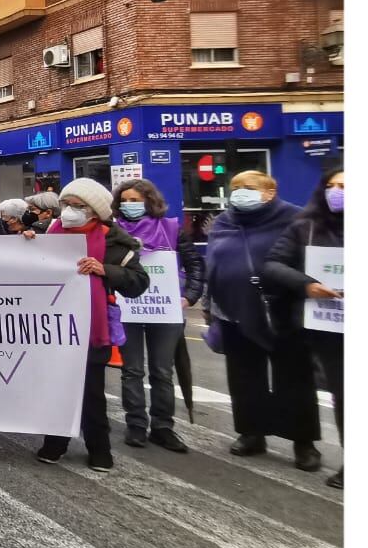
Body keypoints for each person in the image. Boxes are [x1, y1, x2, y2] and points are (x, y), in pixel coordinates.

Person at [203, 171, 321, 471]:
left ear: (270, 192)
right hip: (234, 314)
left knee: (294, 379)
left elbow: (311, 261)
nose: (240, 193)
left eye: (249, 188)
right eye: (236, 188)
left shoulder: (296, 219)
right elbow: (213, 266)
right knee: (244, 378)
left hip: (283, 313)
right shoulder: (224, 223)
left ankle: (303, 443)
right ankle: (251, 433)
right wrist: (210, 305)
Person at [34, 179, 151, 472]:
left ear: (95, 210)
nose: (70, 212)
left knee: (92, 393)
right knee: (57, 389)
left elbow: (138, 283)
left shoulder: (112, 241)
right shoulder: (52, 232)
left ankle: (99, 448)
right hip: (54, 328)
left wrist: (105, 271)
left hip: (90, 329)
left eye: (78, 206)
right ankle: (55, 442)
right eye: (66, 205)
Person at [262, 165, 344, 487]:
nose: (339, 192)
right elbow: (272, 265)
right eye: (334, 185)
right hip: (330, 326)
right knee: (345, 396)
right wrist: (307, 285)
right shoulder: (304, 227)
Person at [111, 178, 204, 452]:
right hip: (128, 309)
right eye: (124, 201)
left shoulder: (172, 228)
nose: (129, 205)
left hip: (165, 310)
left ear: (149, 201)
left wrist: (190, 295)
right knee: (132, 370)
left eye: (135, 200)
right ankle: (136, 425)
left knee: (163, 371)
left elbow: (194, 263)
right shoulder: (114, 231)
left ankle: (163, 426)